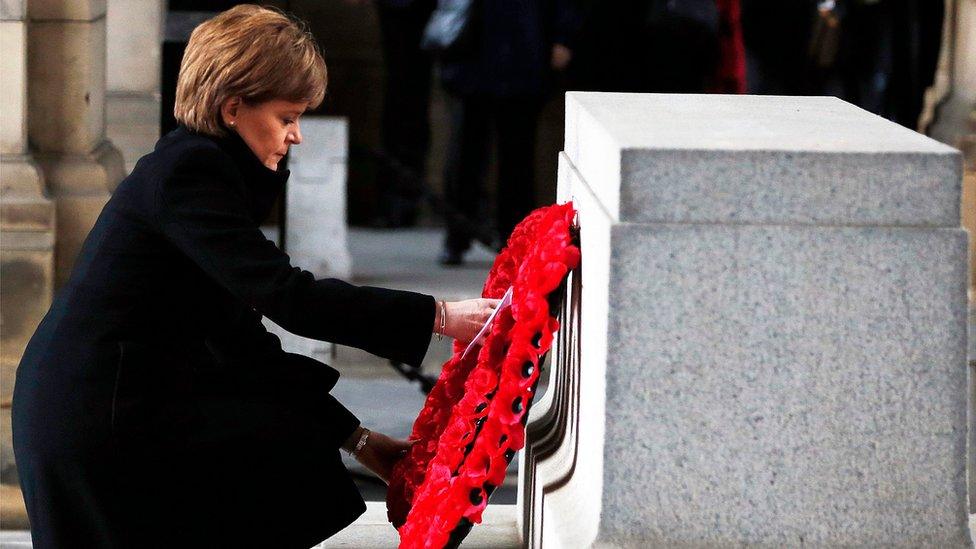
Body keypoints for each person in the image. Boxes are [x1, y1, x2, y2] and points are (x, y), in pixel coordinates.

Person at [12, 5, 498, 548]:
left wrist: (361, 442)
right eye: (287, 118)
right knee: (278, 454)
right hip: (99, 417)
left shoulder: (202, 169)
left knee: (280, 440)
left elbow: (238, 341)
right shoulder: (189, 174)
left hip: (108, 407)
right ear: (232, 109)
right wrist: (439, 316)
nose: (296, 137)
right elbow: (291, 299)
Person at [437, 0, 579, 266]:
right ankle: (456, 236)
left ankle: (514, 240)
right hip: (473, 50)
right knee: (464, 153)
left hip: (525, 47)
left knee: (518, 156)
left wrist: (563, 36)